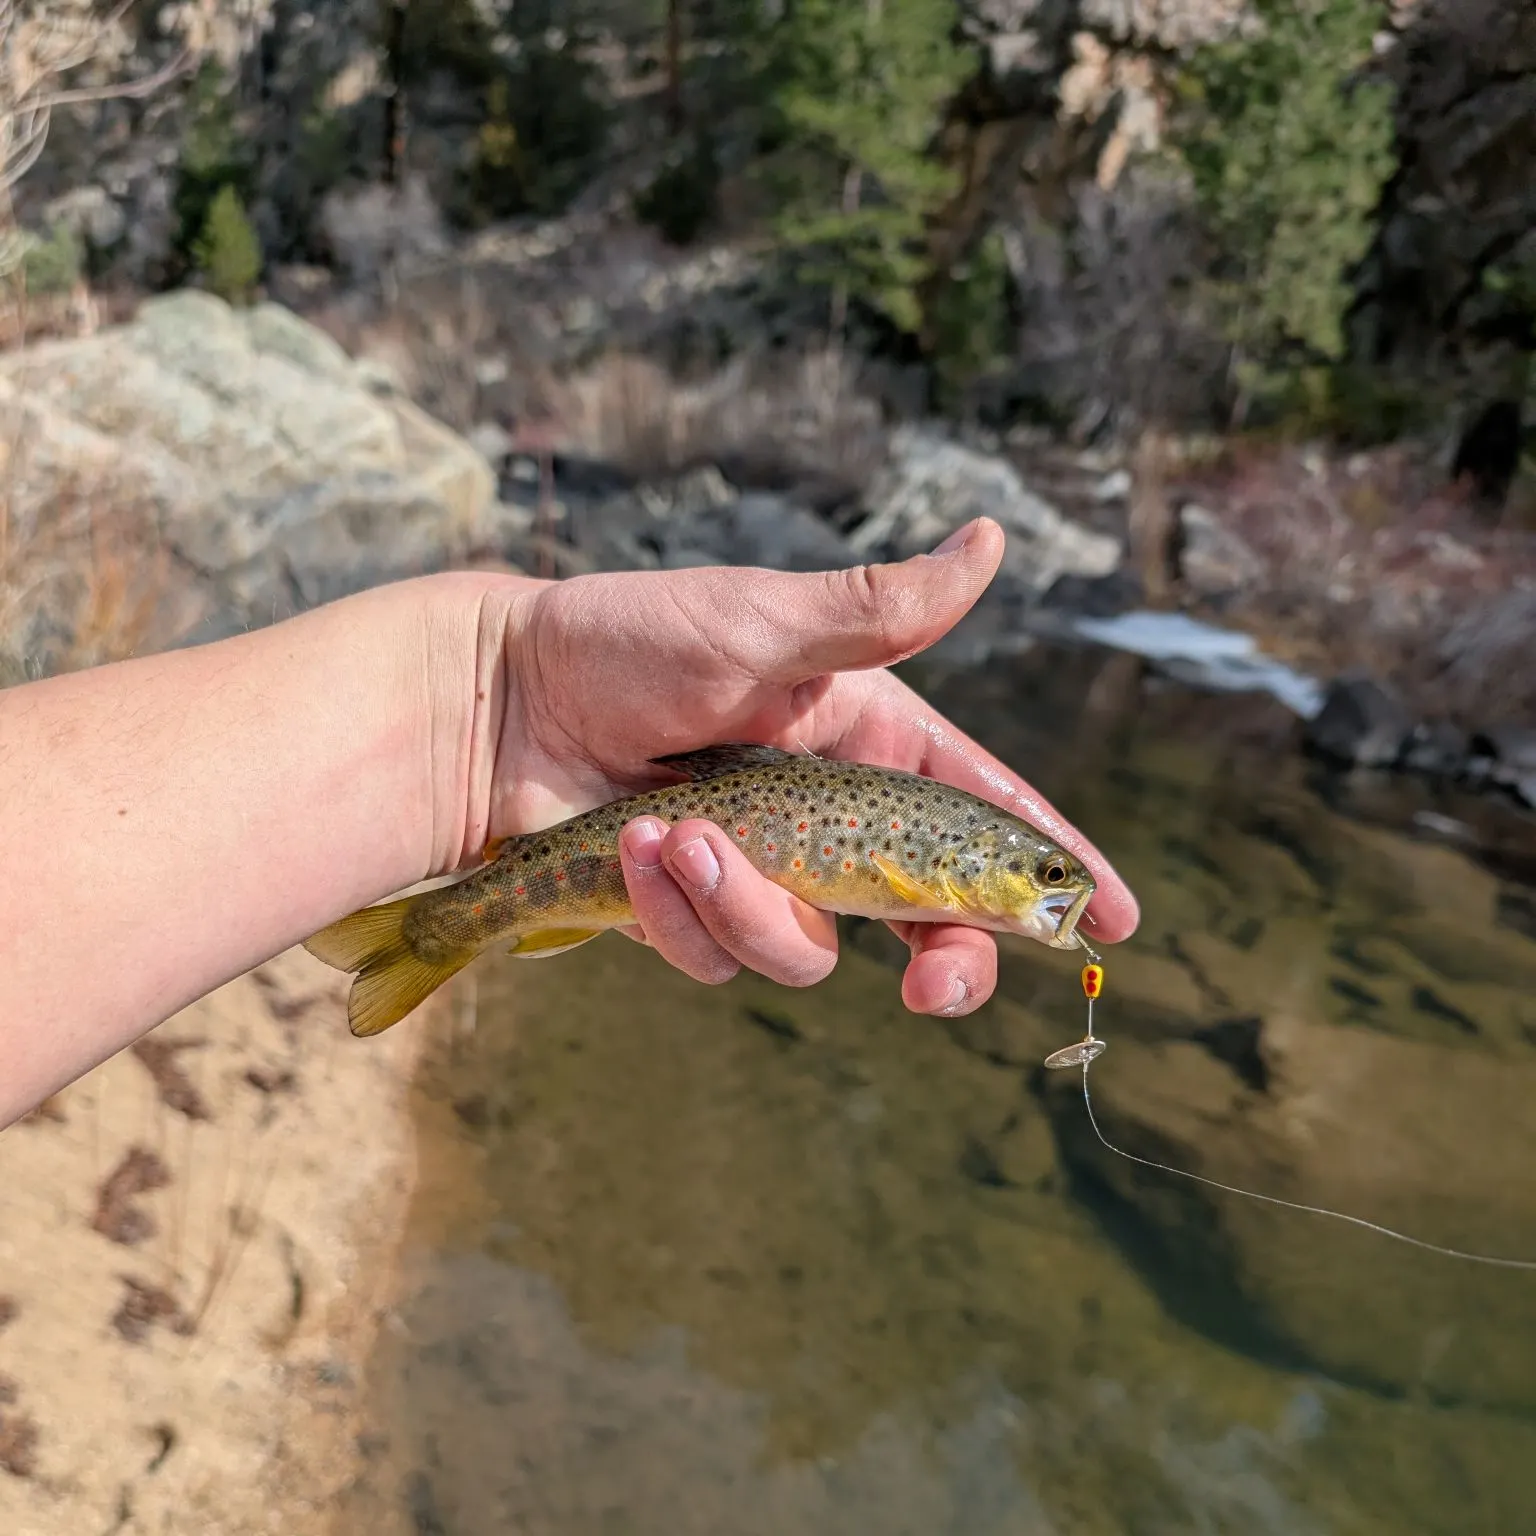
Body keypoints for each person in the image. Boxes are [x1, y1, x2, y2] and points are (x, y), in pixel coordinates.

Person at [0, 516, 1137, 1128]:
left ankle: (445, 925)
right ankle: (436, 931)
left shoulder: (945, 841)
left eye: (1044, 881)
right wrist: (498, 693)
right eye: (1038, 874)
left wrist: (489, 696)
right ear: (962, 867)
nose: (1053, 892)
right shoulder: (938, 853)